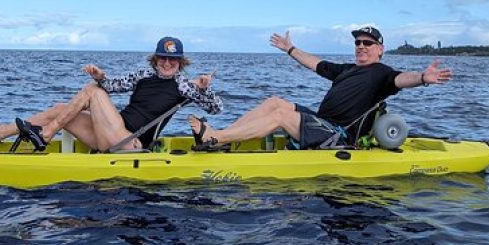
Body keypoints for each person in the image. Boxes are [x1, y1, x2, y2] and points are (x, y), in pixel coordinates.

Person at [188, 26, 451, 150]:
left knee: (280, 116)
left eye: (367, 43)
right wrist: (290, 49)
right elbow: (314, 63)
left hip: (337, 135)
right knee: (274, 102)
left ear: (379, 49)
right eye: (358, 42)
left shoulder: (382, 74)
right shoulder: (346, 70)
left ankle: (216, 138)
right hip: (320, 122)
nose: (361, 46)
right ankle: (221, 137)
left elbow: (401, 79)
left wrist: (422, 78)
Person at [0, 36, 223, 152]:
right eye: (163, 58)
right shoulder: (142, 76)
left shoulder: (185, 86)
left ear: (180, 62)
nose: (167, 63)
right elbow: (112, 85)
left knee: (92, 92)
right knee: (63, 107)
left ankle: (46, 135)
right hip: (111, 133)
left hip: (131, 143)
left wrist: (204, 88)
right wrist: (100, 77)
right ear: (156, 58)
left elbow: (216, 108)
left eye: (173, 59)